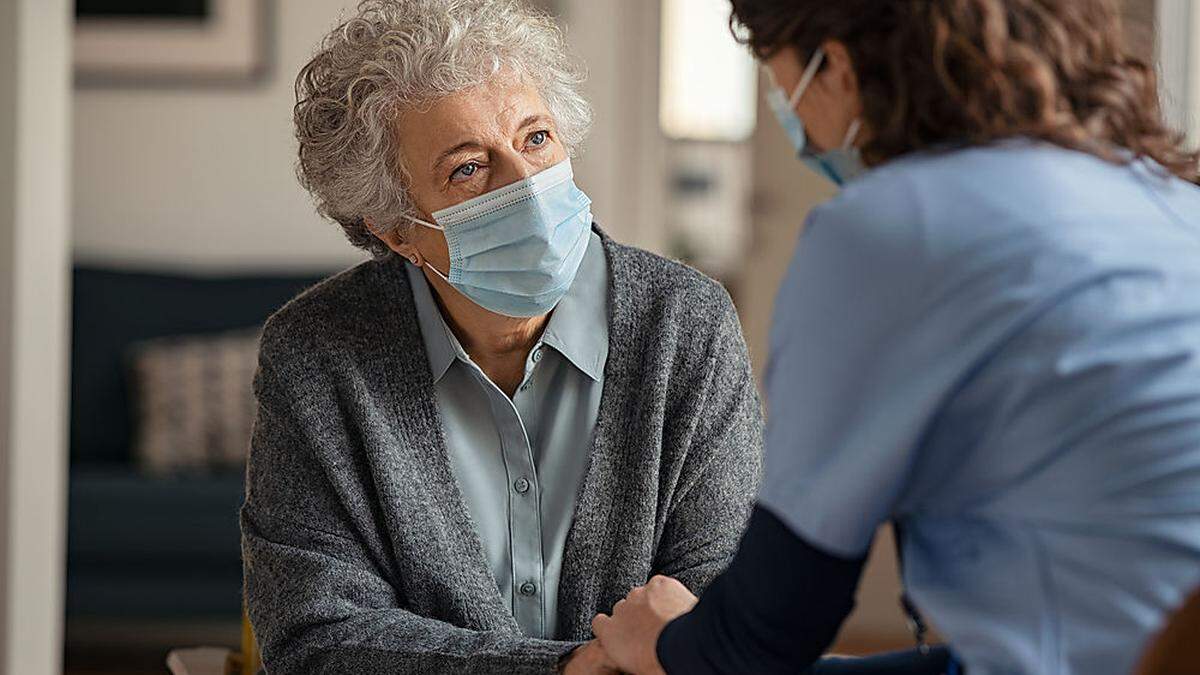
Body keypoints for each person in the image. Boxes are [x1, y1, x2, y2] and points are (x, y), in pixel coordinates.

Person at [590, 1, 1200, 673]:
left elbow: (759, 639)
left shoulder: (890, 228)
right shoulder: (1163, 194)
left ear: (839, 68)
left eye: (780, 79)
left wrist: (663, 640)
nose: (794, 118)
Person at [238, 1, 763, 673]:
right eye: (468, 167)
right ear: (392, 227)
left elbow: (723, 604)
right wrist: (569, 669)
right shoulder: (315, 353)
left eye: (536, 137)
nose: (529, 186)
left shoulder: (688, 325)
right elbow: (318, 637)